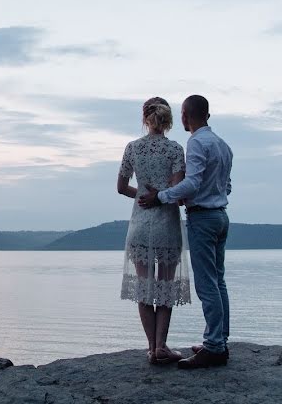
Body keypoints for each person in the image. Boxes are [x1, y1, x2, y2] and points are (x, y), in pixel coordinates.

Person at [139, 95, 233, 369]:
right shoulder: (223, 145)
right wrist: (195, 194)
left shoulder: (196, 143)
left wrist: (162, 196)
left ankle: (214, 347)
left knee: (207, 285)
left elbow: (191, 183)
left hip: (203, 218)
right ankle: (219, 340)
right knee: (219, 281)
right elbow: (226, 187)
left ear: (185, 116)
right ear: (207, 115)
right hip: (220, 216)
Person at [117, 97, 192, 365]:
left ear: (145, 118)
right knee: (166, 286)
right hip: (166, 224)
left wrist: (143, 195)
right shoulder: (174, 149)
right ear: (168, 119)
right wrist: (158, 196)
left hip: (140, 223)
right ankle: (161, 346)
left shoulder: (133, 148)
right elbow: (175, 190)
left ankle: (151, 348)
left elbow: (121, 187)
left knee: (145, 288)